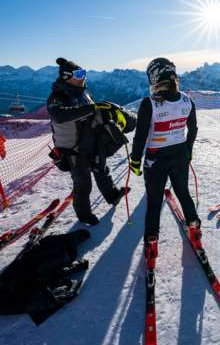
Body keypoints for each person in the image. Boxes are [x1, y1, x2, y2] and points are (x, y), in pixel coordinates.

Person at [129, 57, 200, 268]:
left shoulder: (149, 103)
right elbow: (193, 129)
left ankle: (152, 243)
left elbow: (140, 136)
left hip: (155, 159)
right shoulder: (187, 100)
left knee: (154, 201)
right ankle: (194, 229)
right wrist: (188, 150)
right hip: (180, 156)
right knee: (183, 193)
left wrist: (135, 160)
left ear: (154, 77)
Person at [47, 58, 130, 225]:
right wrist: (92, 109)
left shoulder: (84, 92)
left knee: (102, 170)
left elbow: (94, 112)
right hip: (74, 149)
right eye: (78, 74)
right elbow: (59, 115)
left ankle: (112, 195)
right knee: (83, 184)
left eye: (84, 73)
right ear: (66, 77)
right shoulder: (57, 97)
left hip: (92, 141)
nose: (83, 77)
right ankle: (84, 215)